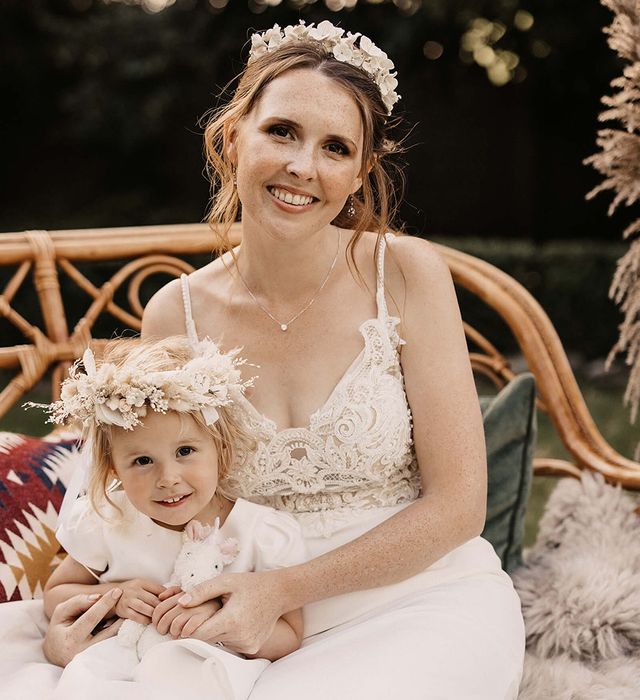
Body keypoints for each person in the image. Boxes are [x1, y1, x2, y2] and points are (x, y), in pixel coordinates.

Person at [129, 20, 519, 698]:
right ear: (233, 137)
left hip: (422, 596)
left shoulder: (406, 274)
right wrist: (85, 592)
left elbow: (459, 506)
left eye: (335, 147)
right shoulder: (174, 315)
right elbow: (164, 495)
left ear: (360, 171)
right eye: (282, 131)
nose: (303, 166)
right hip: (247, 619)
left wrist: (280, 588)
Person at [41, 335, 306, 699]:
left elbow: (289, 636)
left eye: (185, 451)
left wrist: (222, 618)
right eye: (142, 461)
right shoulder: (110, 520)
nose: (167, 479)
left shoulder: (261, 533)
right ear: (113, 468)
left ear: (221, 450)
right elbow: (55, 593)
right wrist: (112, 595)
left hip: (210, 678)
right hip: (120, 671)